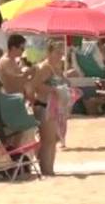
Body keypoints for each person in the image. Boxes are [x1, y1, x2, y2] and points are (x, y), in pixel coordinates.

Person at [29, 41, 69, 176]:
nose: (60, 56)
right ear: (49, 52)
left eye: (61, 53)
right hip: (44, 106)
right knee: (48, 141)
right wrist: (53, 89)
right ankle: (47, 170)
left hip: (54, 108)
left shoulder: (56, 67)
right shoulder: (45, 68)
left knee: (54, 139)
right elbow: (34, 86)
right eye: (57, 52)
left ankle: (49, 168)